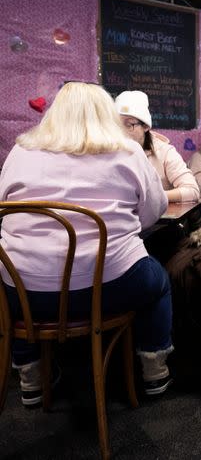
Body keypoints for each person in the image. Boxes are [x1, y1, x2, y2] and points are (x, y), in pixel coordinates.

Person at [0, 82, 174, 405]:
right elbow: (152, 214)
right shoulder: (129, 151)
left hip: (24, 296)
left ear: (53, 115)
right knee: (159, 281)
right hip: (111, 288)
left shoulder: (20, 152)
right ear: (107, 115)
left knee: (12, 283)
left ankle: (30, 373)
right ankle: (154, 368)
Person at [115, 90, 199, 203]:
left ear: (145, 126)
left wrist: (152, 197)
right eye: (116, 125)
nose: (121, 132)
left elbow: (192, 191)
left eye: (129, 125)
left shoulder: (165, 152)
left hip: (159, 218)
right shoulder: (109, 151)